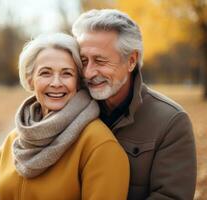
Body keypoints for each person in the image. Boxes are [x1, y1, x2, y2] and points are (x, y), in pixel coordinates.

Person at [0, 33, 129, 200]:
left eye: (66, 74)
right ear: (30, 80)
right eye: (45, 73)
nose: (56, 83)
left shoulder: (99, 146)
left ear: (78, 82)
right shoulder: (14, 140)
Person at [72, 9, 197, 200]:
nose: (88, 72)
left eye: (100, 60)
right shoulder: (70, 111)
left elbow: (170, 196)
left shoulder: (171, 122)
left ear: (131, 61)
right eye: (84, 61)